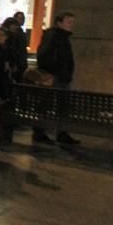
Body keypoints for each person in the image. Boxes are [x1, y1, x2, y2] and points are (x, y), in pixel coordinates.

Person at [34, 11, 79, 145]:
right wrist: (54, 71)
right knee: (50, 104)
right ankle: (43, 132)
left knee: (60, 105)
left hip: (61, 76)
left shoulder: (61, 37)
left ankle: (58, 132)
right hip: (56, 77)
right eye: (68, 22)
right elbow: (44, 55)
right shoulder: (54, 36)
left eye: (72, 22)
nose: (71, 25)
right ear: (59, 23)